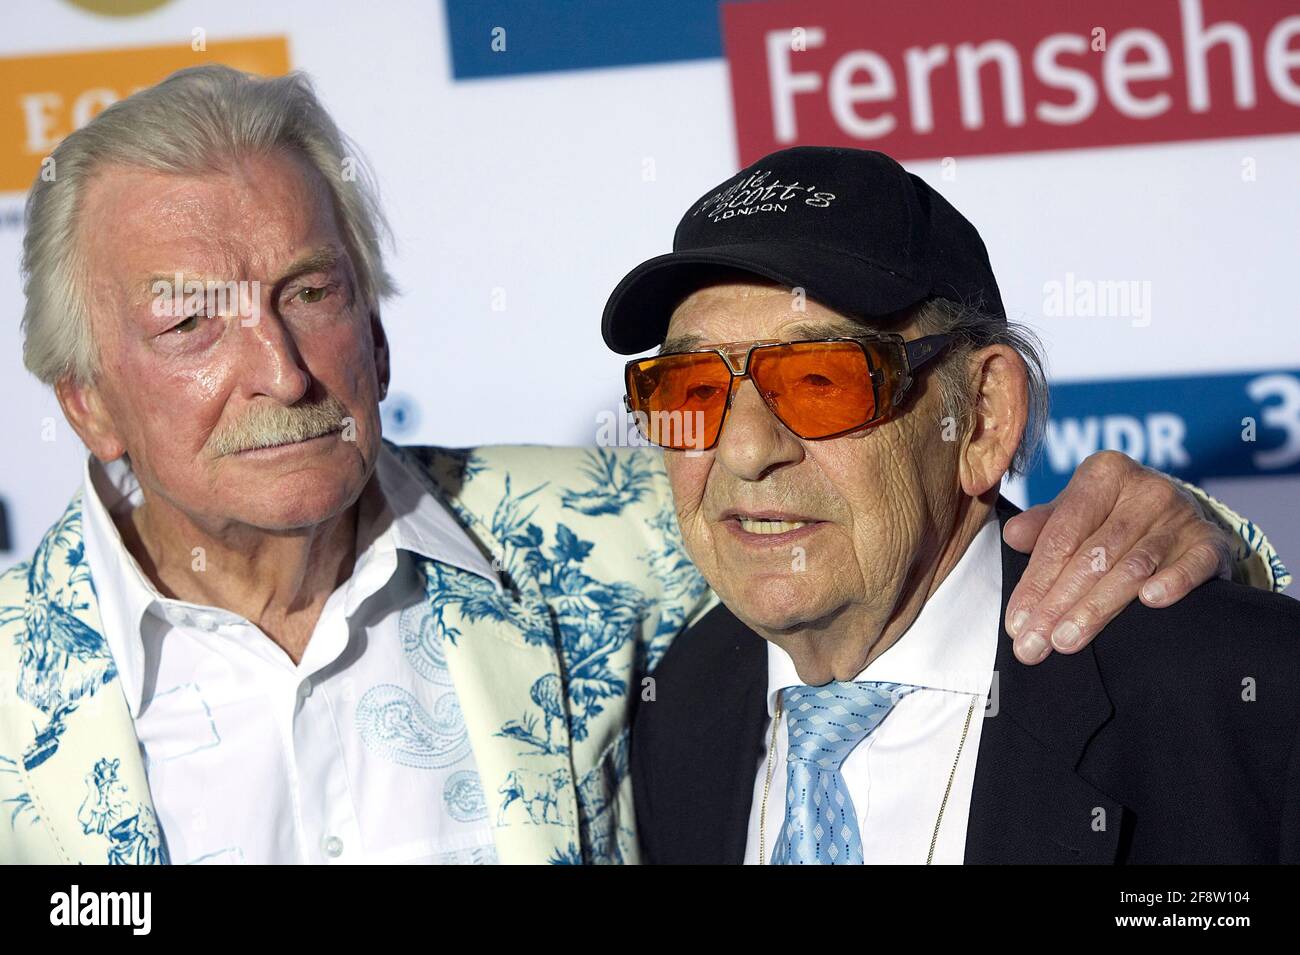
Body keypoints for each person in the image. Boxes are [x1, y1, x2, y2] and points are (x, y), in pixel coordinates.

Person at [0, 69, 1282, 865]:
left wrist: (1191, 543)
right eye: (187, 324)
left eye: (309, 292)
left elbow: (912, 540)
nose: (278, 371)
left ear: (378, 329)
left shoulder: (592, 538)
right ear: (84, 399)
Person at [613, 146, 1300, 864]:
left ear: (981, 416)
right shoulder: (675, 714)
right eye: (690, 389)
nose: (745, 451)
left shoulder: (1241, 698)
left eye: (820, 379)